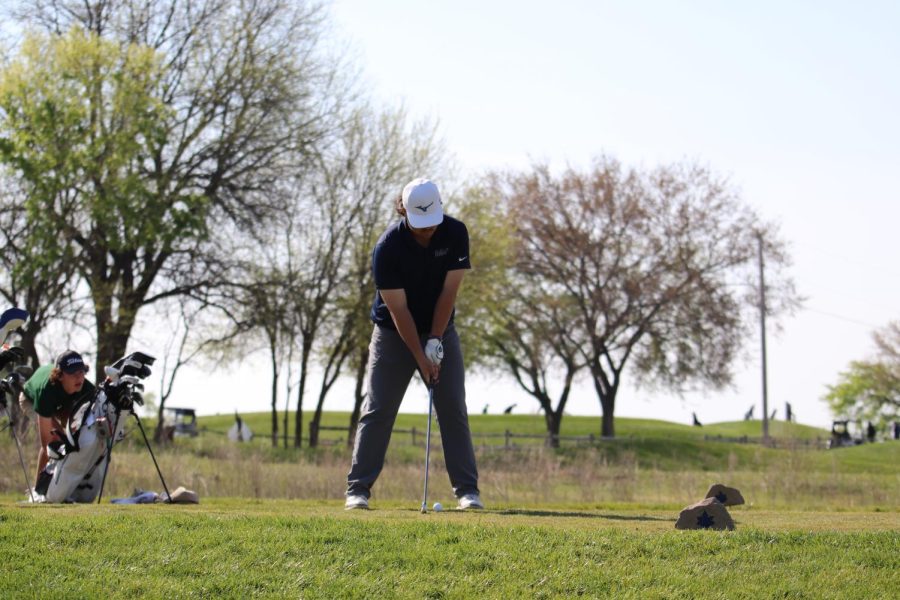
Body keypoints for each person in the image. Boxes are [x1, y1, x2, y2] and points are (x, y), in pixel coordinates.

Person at [345, 177, 482, 510]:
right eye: (421, 225)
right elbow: (398, 311)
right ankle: (358, 489)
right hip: (393, 333)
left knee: (452, 407)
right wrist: (422, 358)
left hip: (440, 326)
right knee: (378, 409)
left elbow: (449, 293)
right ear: (403, 210)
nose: (428, 231)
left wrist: (435, 340)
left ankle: (467, 491)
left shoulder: (455, 233)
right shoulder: (387, 248)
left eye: (432, 223)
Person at [20, 350, 96, 491]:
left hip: (62, 401)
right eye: (73, 373)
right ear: (60, 375)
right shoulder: (46, 391)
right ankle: (39, 490)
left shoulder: (86, 387)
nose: (79, 378)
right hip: (30, 399)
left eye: (81, 372)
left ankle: (68, 487)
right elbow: (47, 445)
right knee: (55, 442)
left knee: (76, 438)